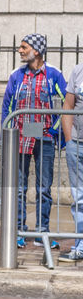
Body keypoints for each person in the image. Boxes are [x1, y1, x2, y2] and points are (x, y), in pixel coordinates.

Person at [1, 33, 67, 249]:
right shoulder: (16, 75)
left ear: (36, 51)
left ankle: (42, 232)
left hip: (45, 138)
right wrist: (7, 132)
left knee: (44, 188)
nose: (19, 50)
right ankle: (18, 230)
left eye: (23, 47)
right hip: (20, 138)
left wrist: (56, 131)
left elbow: (65, 106)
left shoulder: (54, 74)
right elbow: (7, 106)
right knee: (18, 188)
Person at [61, 60, 83, 263]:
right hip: (77, 143)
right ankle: (81, 245)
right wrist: (69, 141)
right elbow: (68, 106)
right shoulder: (78, 70)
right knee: (80, 198)